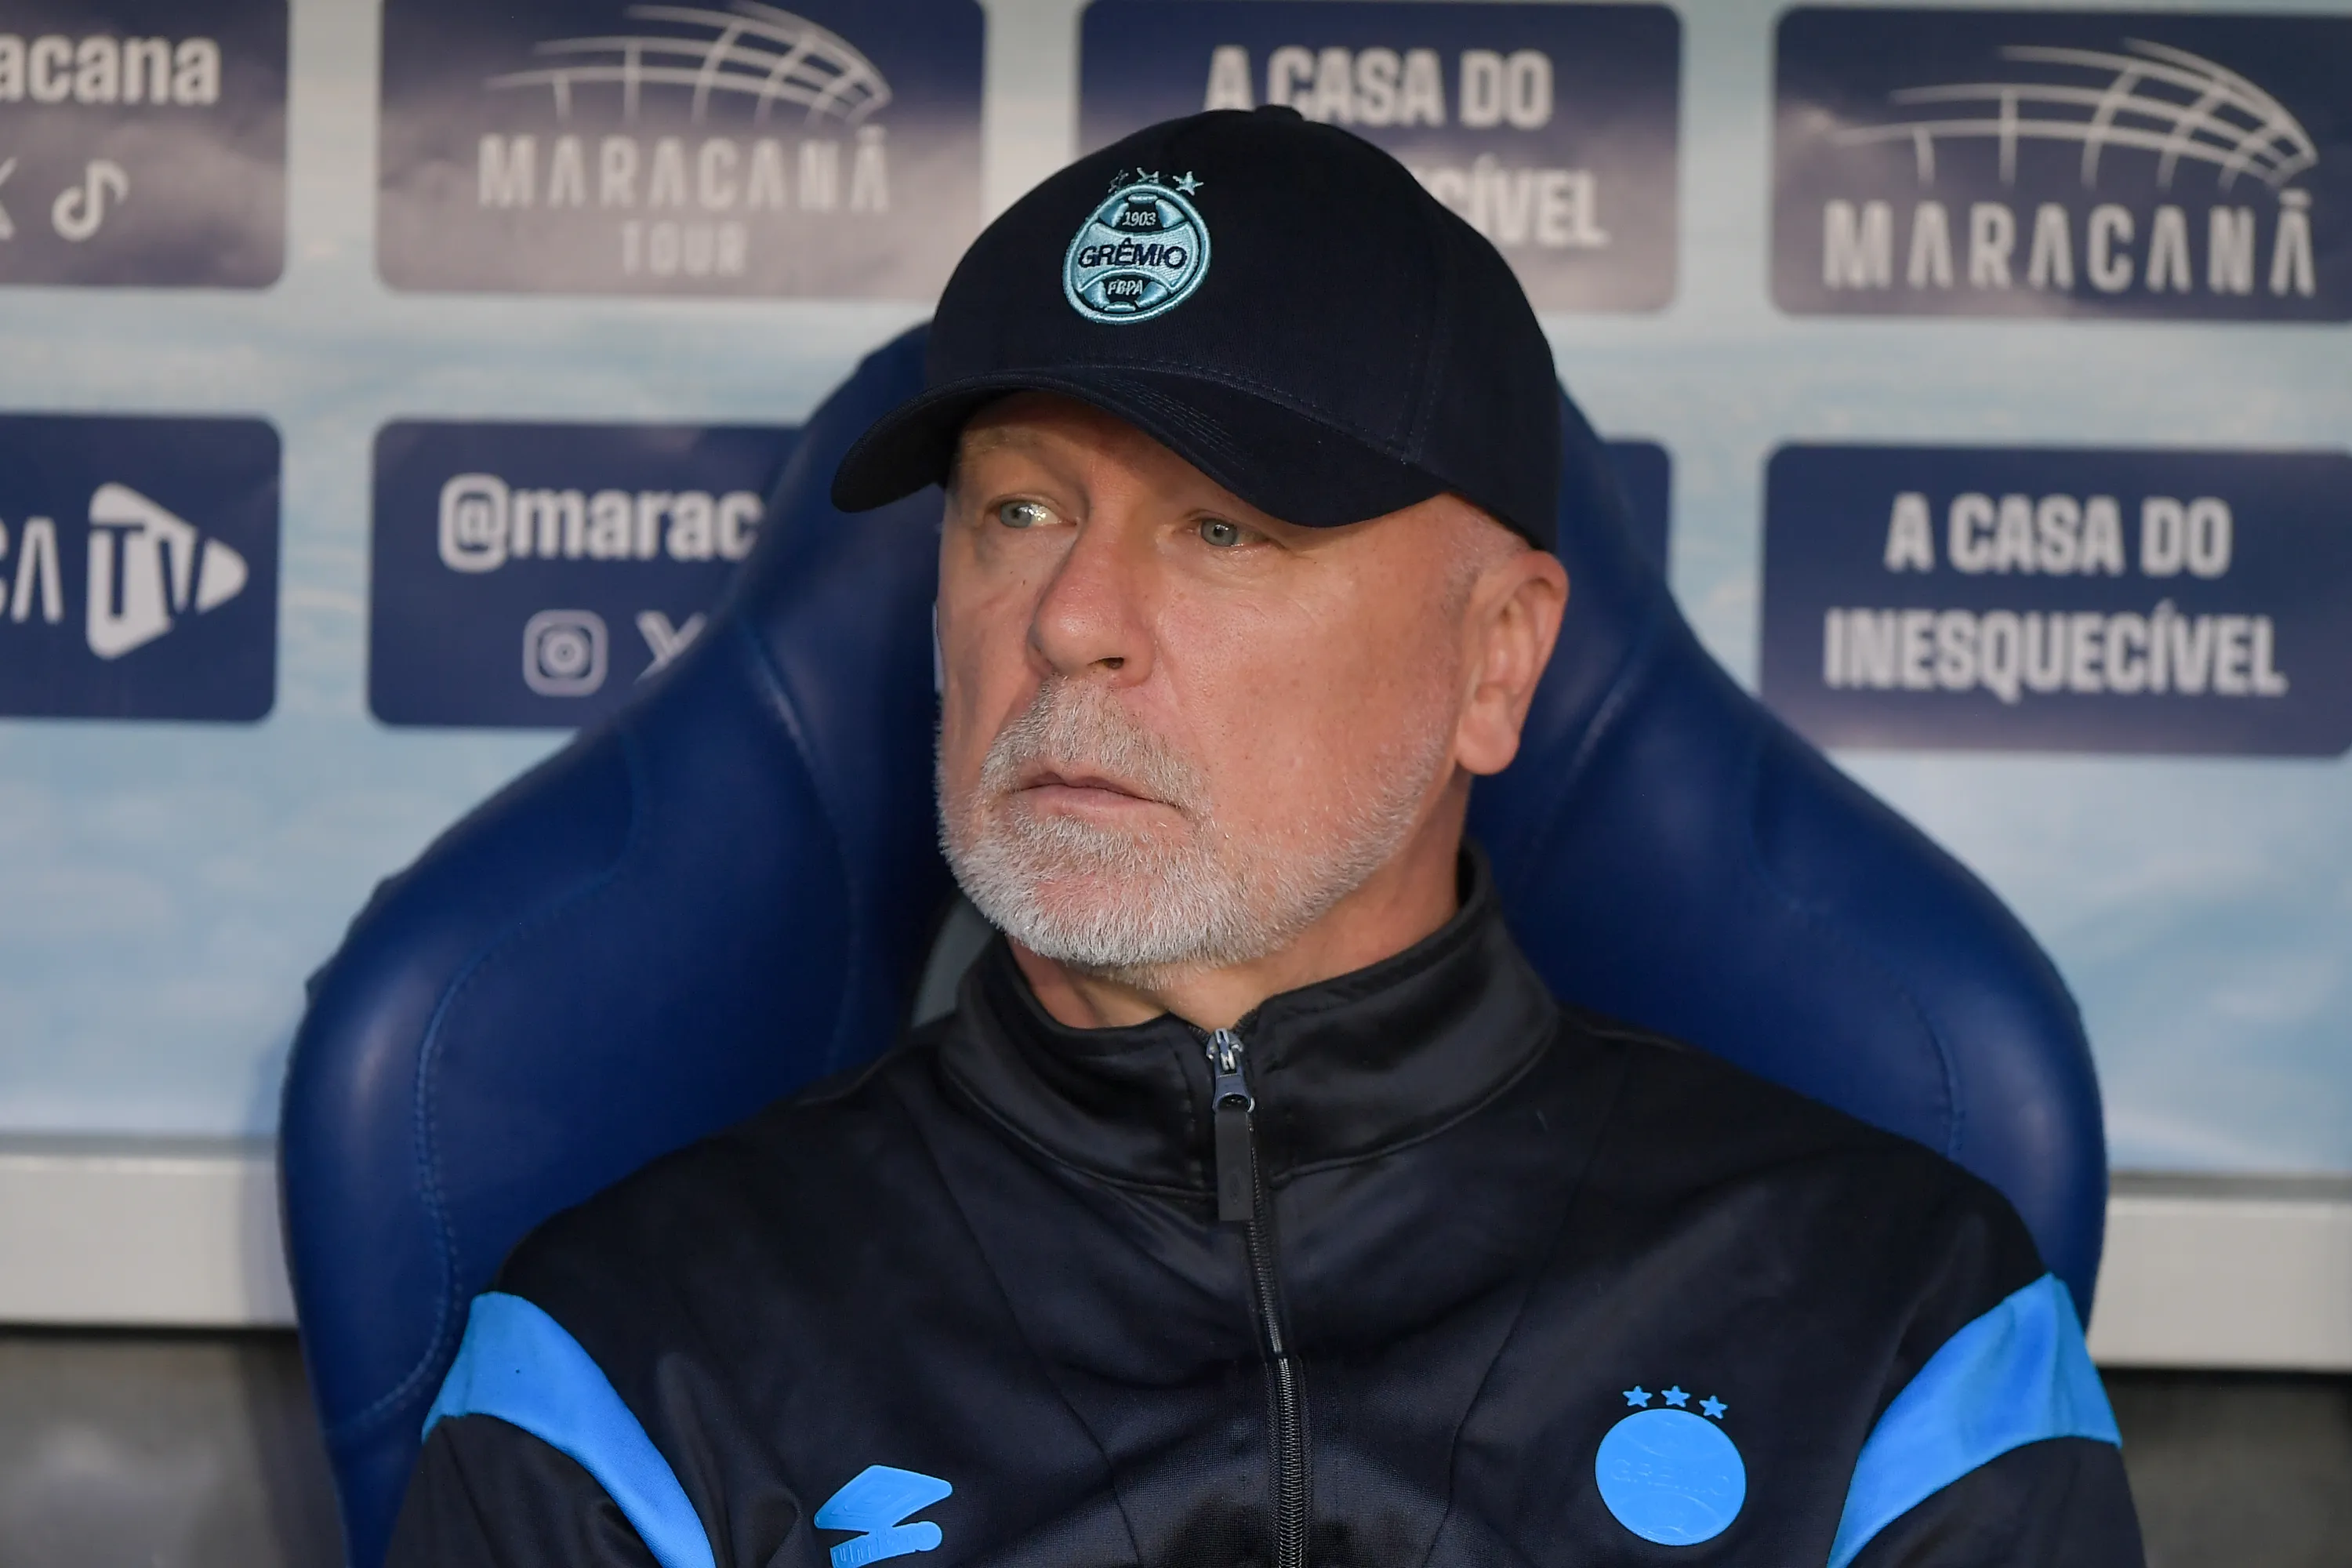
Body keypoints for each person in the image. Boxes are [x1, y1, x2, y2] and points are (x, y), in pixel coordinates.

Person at [388, 108, 2143, 1568]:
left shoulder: (1904, 1337)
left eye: (1221, 528)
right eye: (1017, 507)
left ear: (1495, 658)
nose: (1070, 617)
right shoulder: (626, 1369)